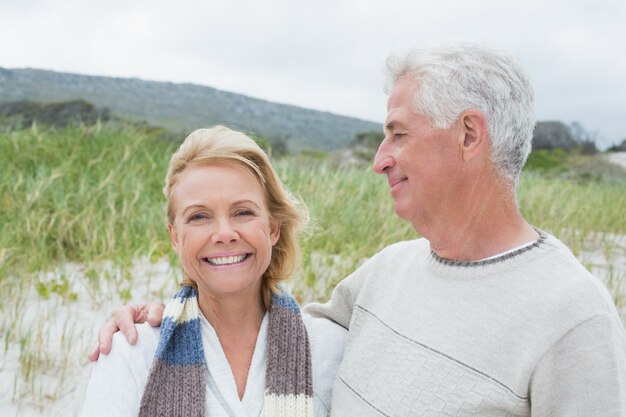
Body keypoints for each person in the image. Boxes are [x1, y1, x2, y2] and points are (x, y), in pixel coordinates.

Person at [90, 44, 626, 416]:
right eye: (199, 216)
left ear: (468, 135)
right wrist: (157, 315)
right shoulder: (385, 274)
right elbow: (271, 328)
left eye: (397, 134)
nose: (379, 159)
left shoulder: (572, 315)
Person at [80, 126, 346, 417]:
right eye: (199, 216)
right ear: (175, 237)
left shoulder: (329, 349)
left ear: (273, 228)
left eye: (243, 212)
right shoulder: (132, 351)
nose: (224, 233)